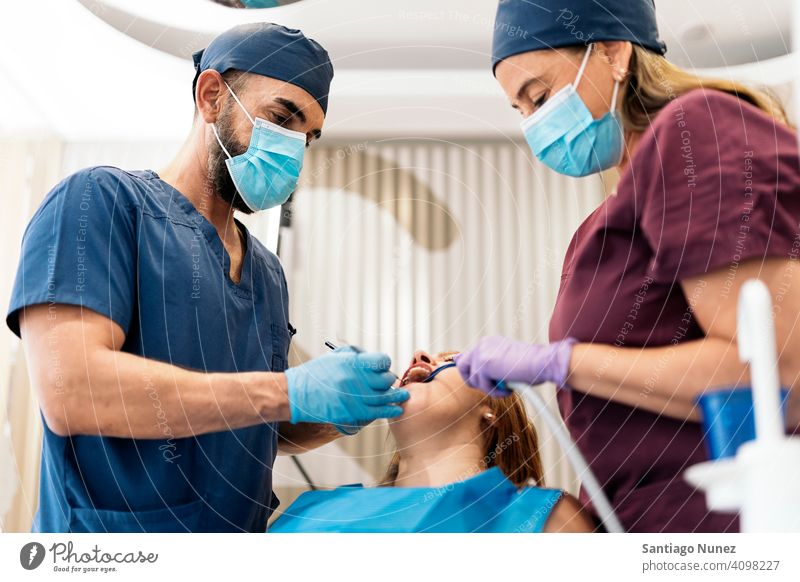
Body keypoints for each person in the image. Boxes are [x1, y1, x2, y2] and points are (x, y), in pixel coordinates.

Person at [6, 23, 408, 533]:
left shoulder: (266, 271)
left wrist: (340, 408)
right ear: (212, 95)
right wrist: (287, 390)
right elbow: (72, 390)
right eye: (281, 118)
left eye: (307, 136)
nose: (295, 150)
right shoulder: (98, 203)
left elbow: (255, 421)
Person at [456, 0, 800, 532]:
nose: (535, 125)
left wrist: (561, 363)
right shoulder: (599, 228)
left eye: (541, 96)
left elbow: (779, 379)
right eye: (520, 111)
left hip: (730, 525)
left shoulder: (696, 134)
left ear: (614, 52)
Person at [270, 350, 594, 533]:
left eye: (452, 360)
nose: (419, 355)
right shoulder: (312, 511)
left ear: (491, 408)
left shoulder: (546, 518)